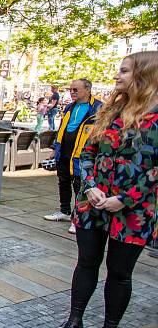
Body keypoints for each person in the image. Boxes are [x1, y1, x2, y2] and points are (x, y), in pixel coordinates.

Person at [52, 51, 158, 328]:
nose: (117, 76)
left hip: (133, 211)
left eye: (124, 71)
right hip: (94, 203)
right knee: (86, 263)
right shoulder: (111, 111)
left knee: (120, 274)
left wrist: (125, 198)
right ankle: (74, 321)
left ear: (144, 74)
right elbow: (88, 153)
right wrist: (91, 186)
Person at [43, 79, 102, 234]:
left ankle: (78, 218)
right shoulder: (70, 107)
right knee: (63, 182)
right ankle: (64, 211)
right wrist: (55, 147)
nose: (72, 92)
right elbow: (62, 128)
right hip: (65, 151)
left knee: (80, 185)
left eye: (76, 89)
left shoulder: (98, 108)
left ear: (88, 89)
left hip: (82, 154)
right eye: (70, 89)